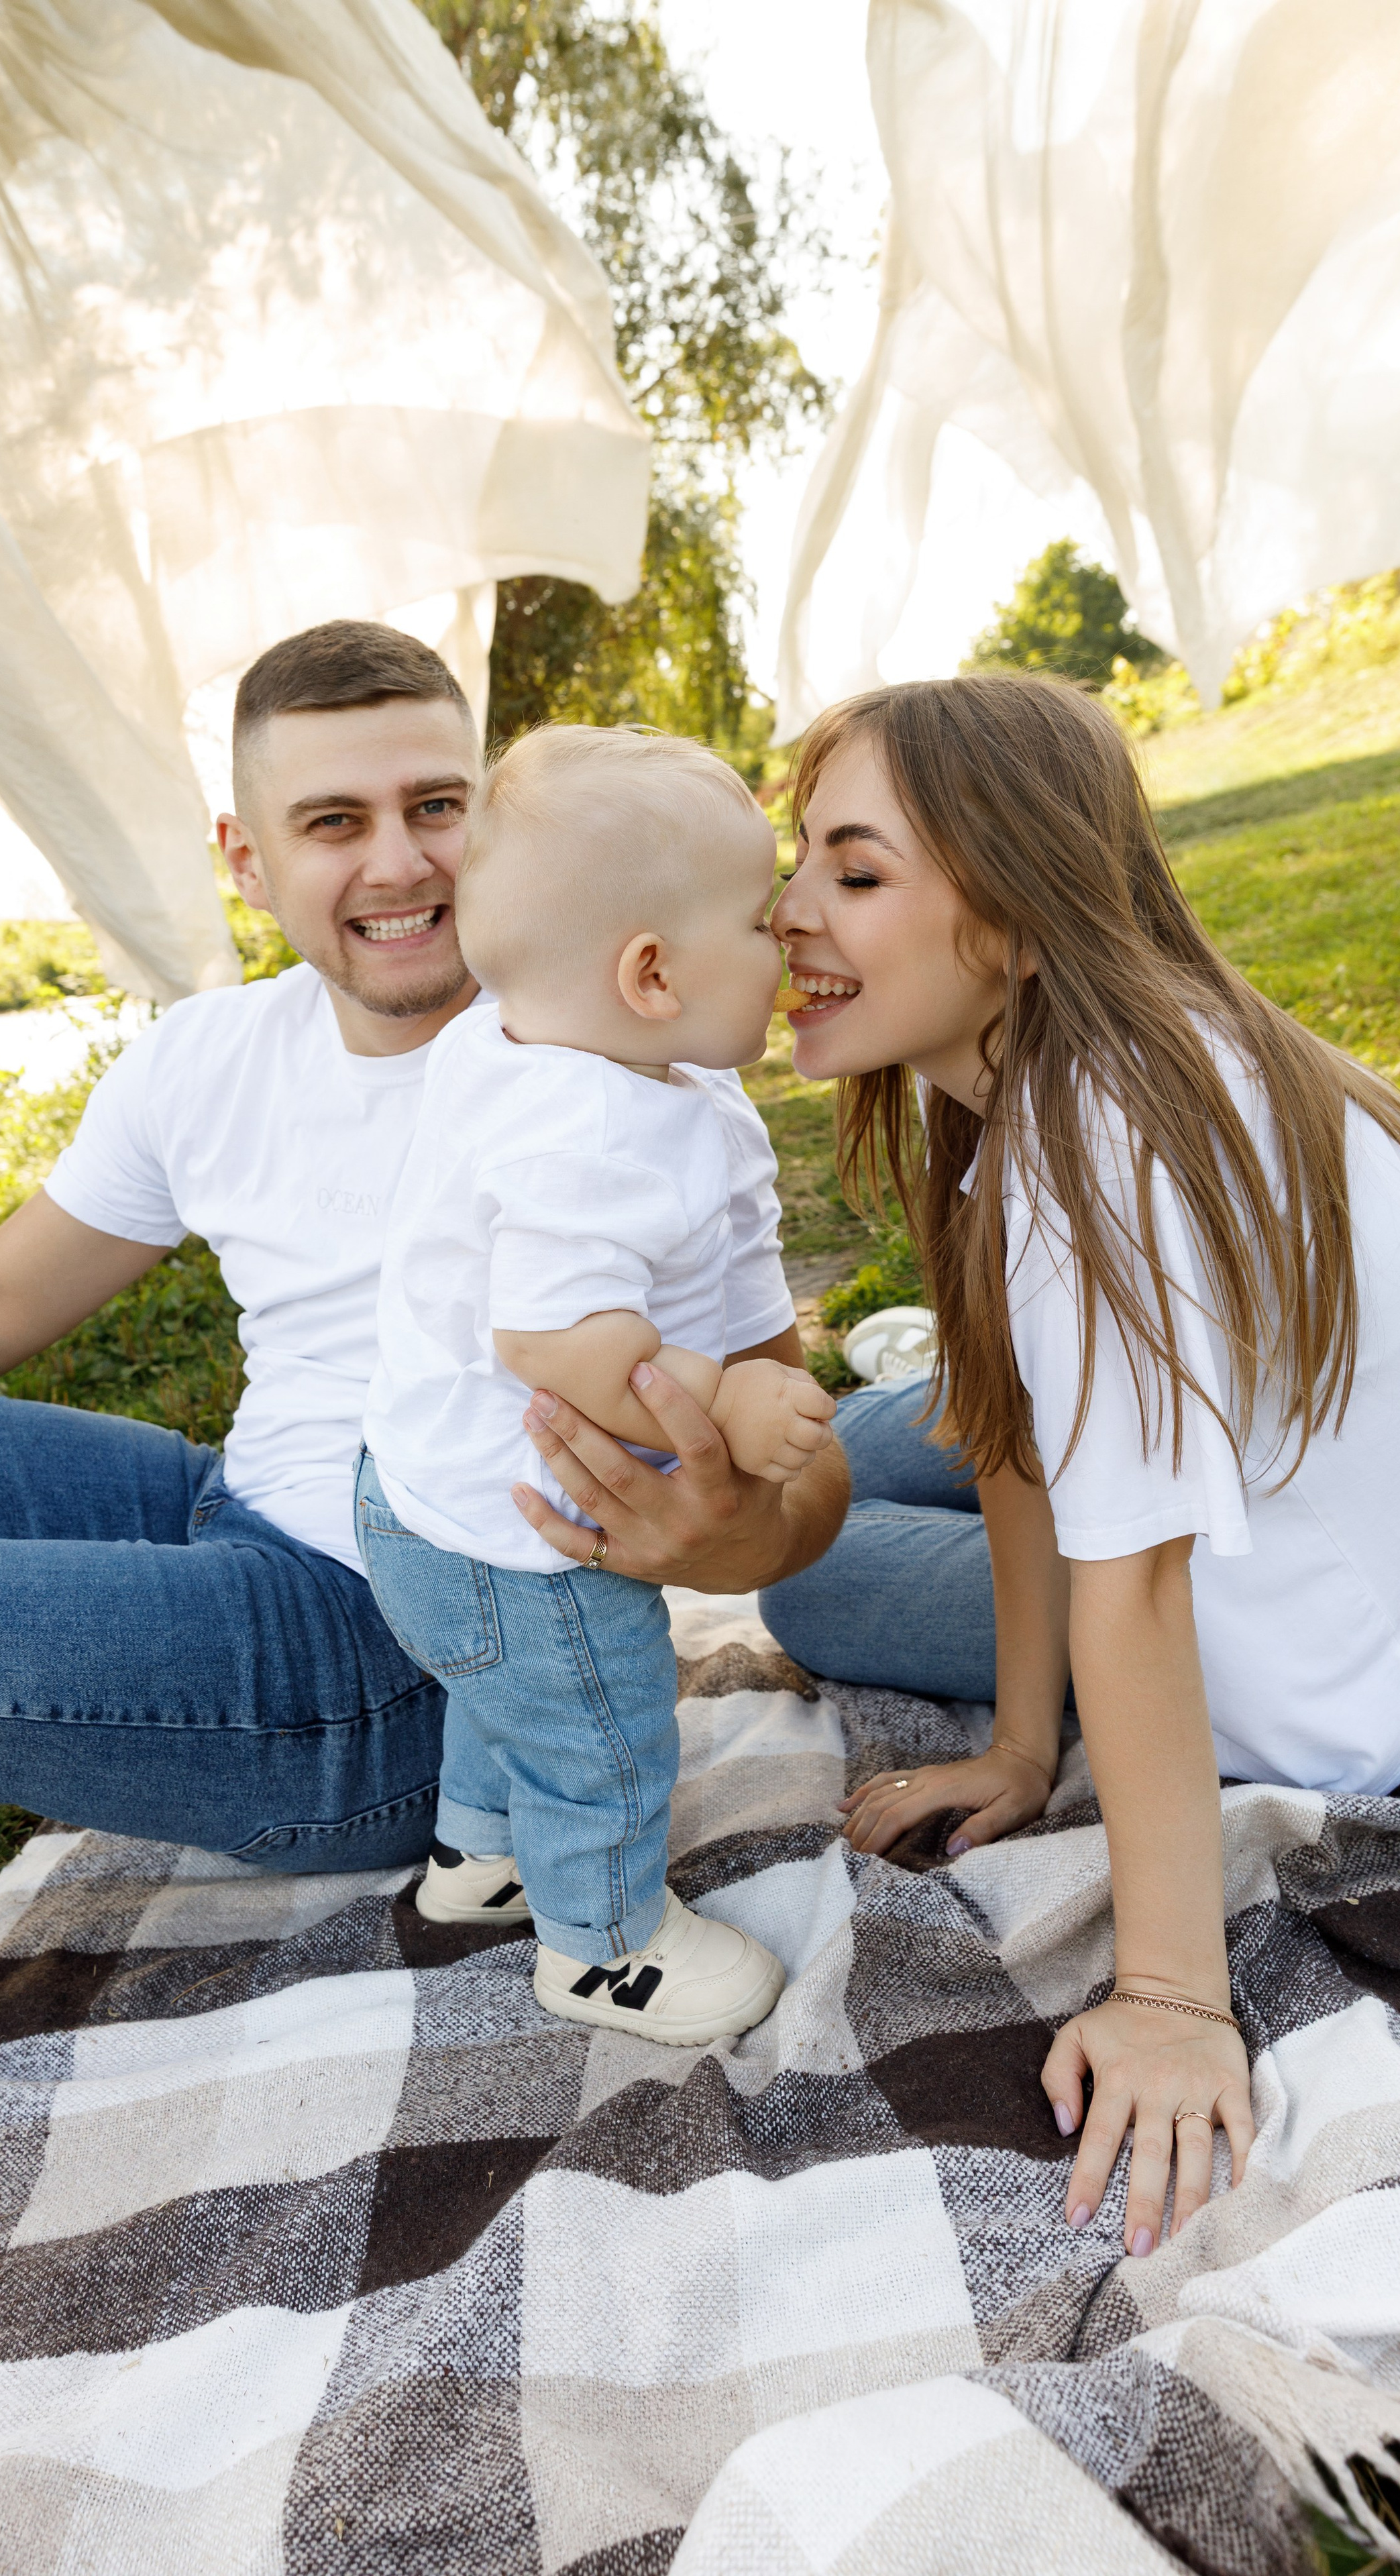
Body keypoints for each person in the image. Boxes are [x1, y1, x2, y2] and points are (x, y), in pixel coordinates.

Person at [0, 624, 849, 1913]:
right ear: (248, 859)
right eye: (335, 821)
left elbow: (795, 1445)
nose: (401, 861)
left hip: (405, 1658)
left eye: (438, 806)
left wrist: (738, 1530)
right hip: (239, 1513)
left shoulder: (630, 1079)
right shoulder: (211, 1059)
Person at [763, 672, 1400, 2263]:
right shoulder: (1075, 1059)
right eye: (798, 860)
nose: (784, 912)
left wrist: (1175, 1997)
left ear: (1024, 915)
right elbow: (1009, 1433)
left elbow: (1135, 1581)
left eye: (854, 873)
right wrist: (1020, 1738)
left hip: (1320, 1693)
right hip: (1306, 1539)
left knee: (810, 1559)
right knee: (861, 1446)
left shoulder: (1093, 1155)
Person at [359, 727, 834, 2043]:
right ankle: (602, 1944)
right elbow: (559, 1342)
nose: (791, 929)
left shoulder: (528, 1051)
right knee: (597, 1717)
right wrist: (725, 1405)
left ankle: (478, 1862)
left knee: (502, 1696)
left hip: (433, 1500)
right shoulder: (585, 1128)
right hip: (524, 1542)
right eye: (759, 919)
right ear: (650, 971)